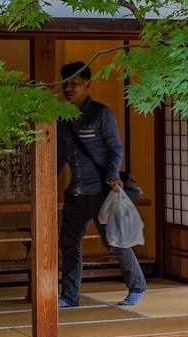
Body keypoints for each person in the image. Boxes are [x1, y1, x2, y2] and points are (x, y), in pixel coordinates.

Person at [56, 62, 147, 308]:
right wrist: (46, 180)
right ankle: (69, 295)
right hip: (75, 192)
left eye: (74, 83)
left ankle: (137, 286)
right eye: (65, 83)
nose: (69, 88)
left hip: (99, 192)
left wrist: (112, 175)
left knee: (114, 242)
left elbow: (115, 148)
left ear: (87, 84)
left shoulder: (100, 113)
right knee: (68, 243)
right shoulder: (62, 116)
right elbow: (61, 155)